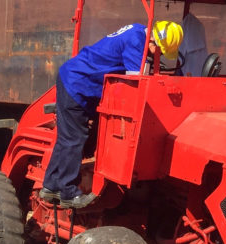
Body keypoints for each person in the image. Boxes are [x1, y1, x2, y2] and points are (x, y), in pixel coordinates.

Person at [40, 20, 183, 208]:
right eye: (161, 51)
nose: (160, 56)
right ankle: (68, 192)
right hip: (77, 83)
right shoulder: (137, 42)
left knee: (67, 138)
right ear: (153, 42)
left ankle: (51, 186)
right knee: (74, 138)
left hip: (76, 78)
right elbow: (136, 82)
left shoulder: (138, 30)